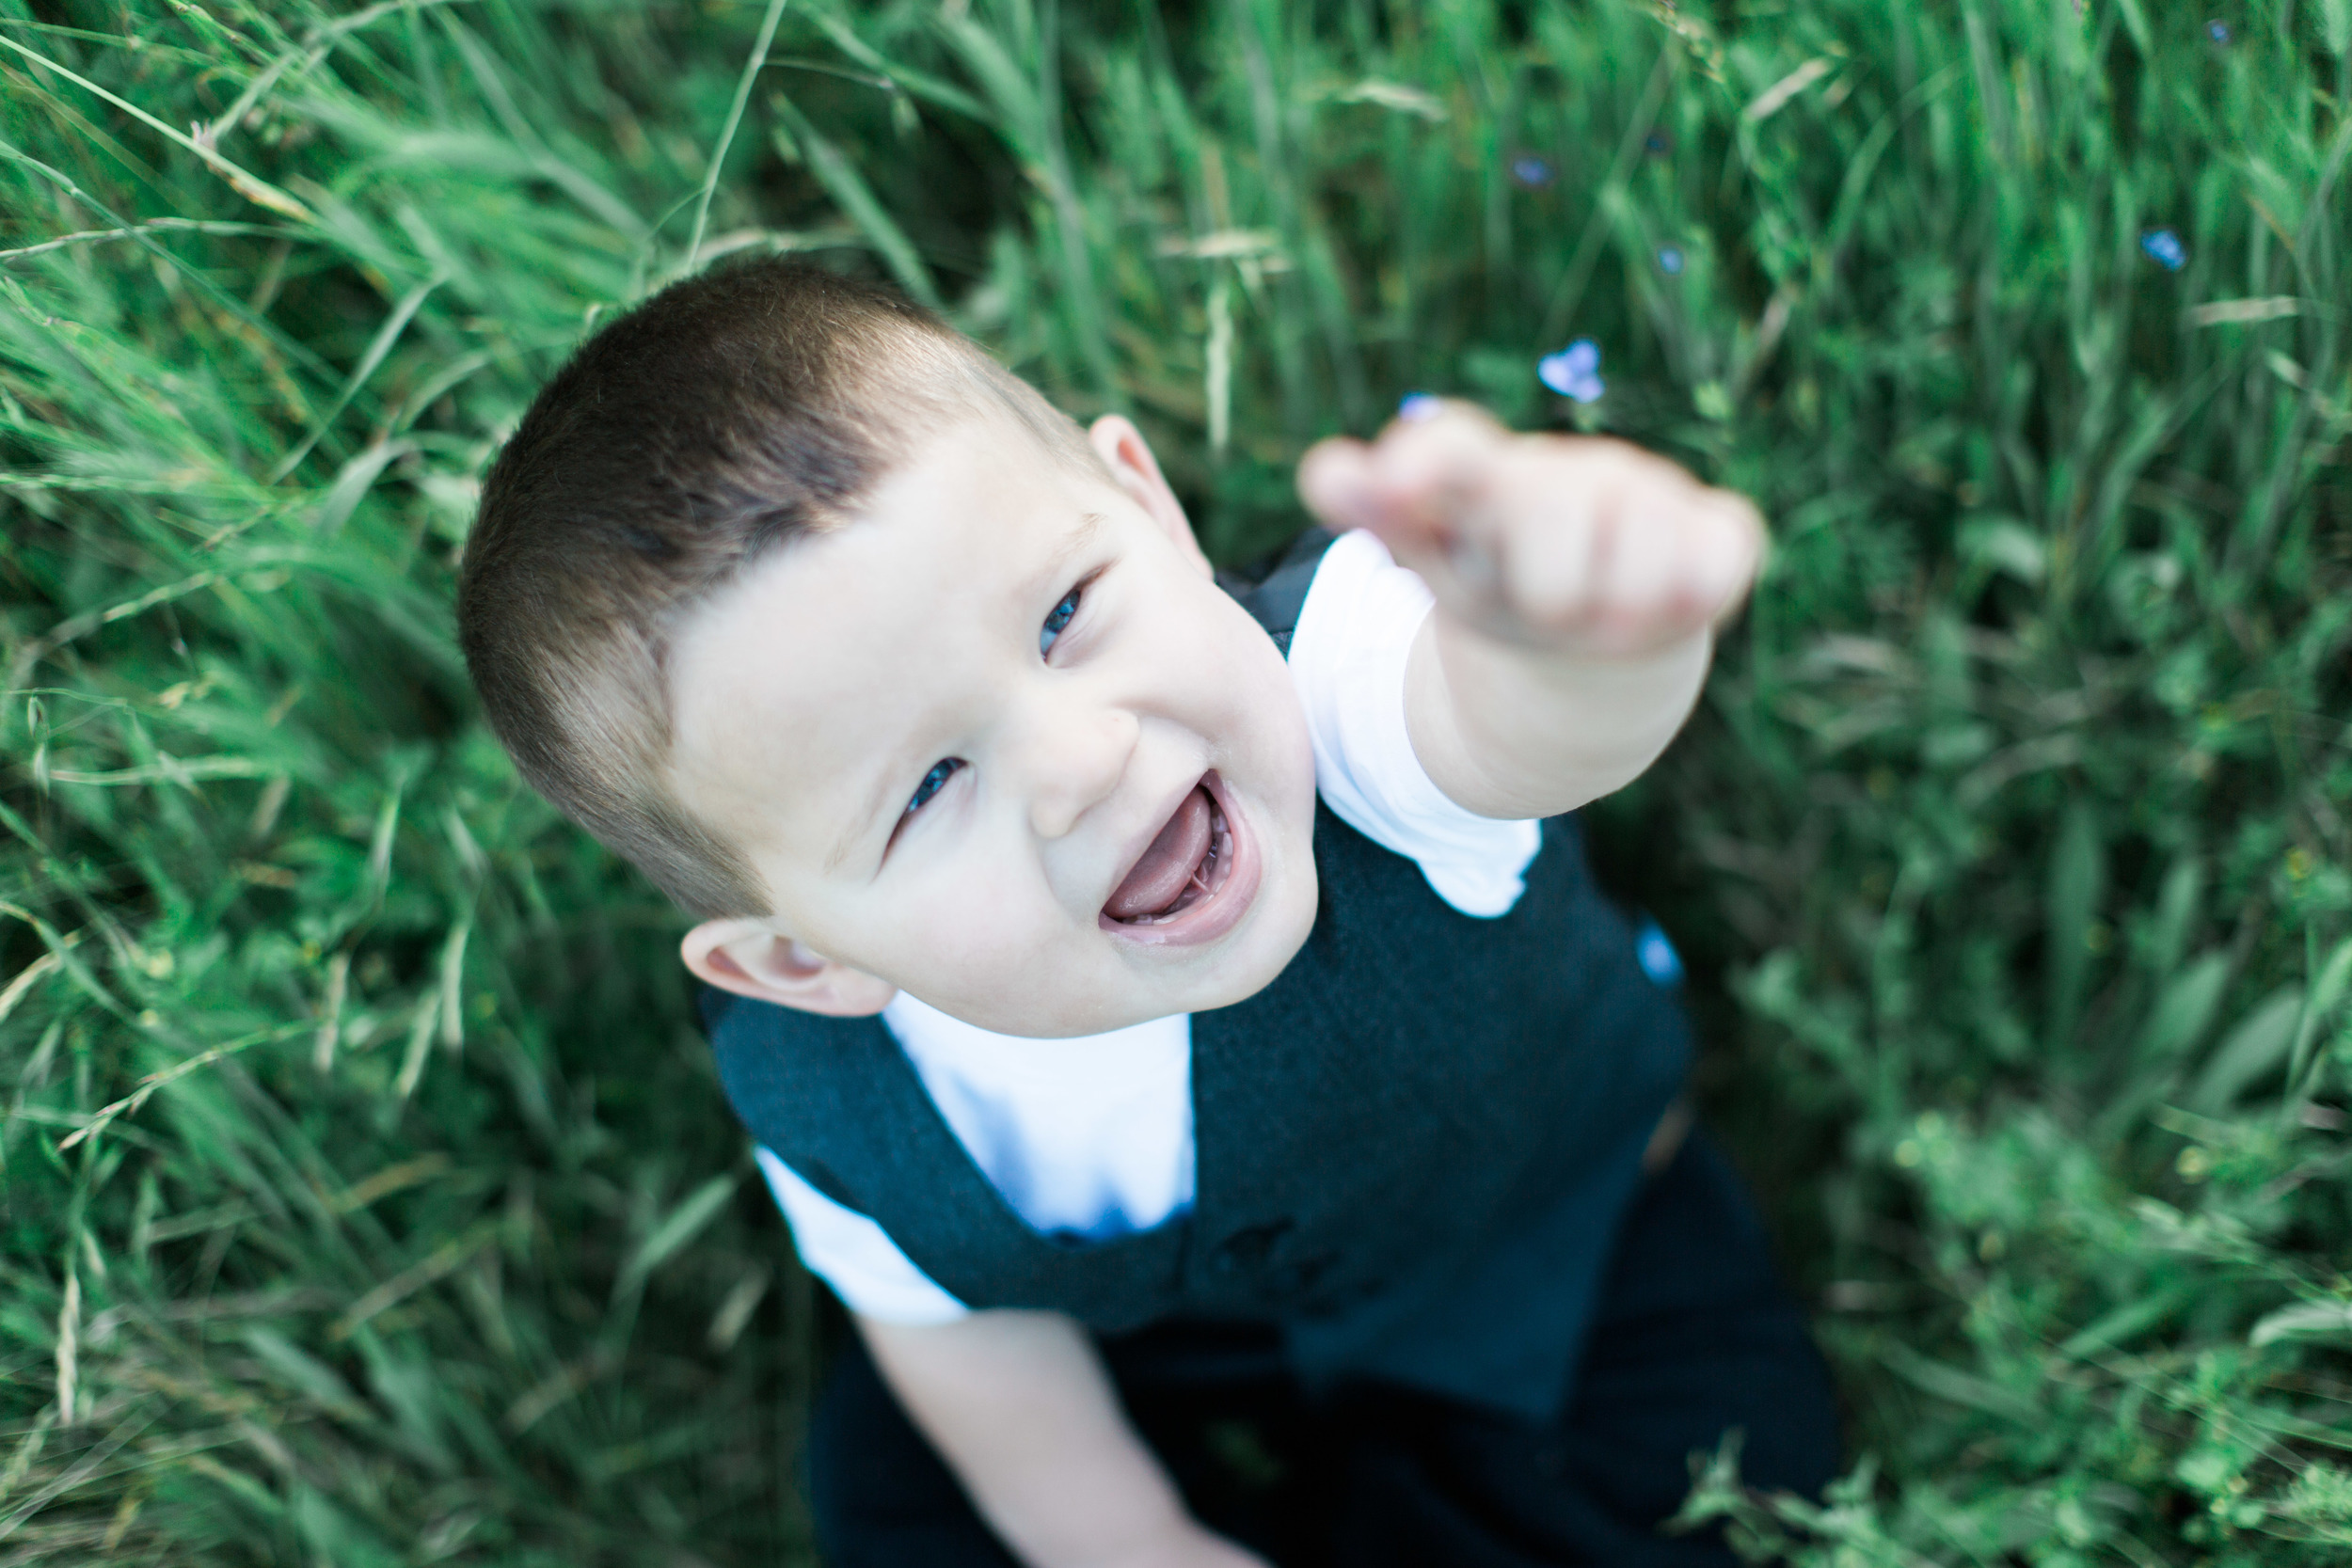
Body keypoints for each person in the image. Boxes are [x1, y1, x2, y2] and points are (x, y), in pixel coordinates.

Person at [456, 256, 1838, 1567]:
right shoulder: (834, 1092)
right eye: (929, 787)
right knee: (899, 1484)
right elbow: (954, 1331)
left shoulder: (1341, 698)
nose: (1079, 762)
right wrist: (1122, 1538)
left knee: (1707, 1473)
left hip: (1548, 1238)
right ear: (802, 960)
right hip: (1160, 1344)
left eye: (1065, 615)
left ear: (1149, 510)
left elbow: (1514, 727)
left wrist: (1581, 636)